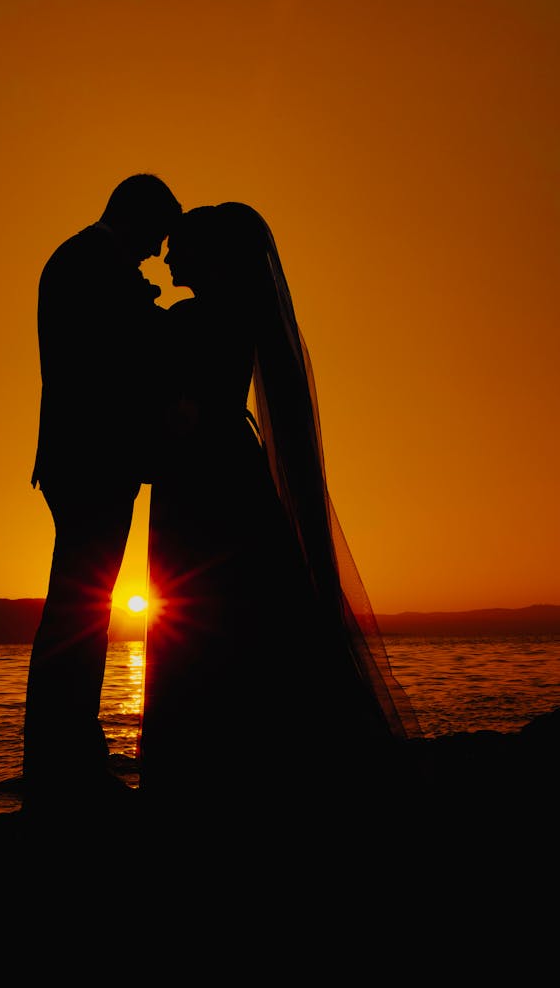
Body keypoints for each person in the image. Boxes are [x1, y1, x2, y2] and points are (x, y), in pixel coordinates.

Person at [139, 202, 421, 838]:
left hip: (200, 476)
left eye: (177, 247)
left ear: (208, 255)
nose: (167, 257)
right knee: (248, 602)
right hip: (230, 467)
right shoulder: (235, 316)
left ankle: (209, 770)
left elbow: (151, 367)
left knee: (204, 605)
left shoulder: (192, 319)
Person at [22, 173, 181, 826]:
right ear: (138, 218)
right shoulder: (91, 264)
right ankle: (65, 768)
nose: (157, 254)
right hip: (91, 462)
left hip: (84, 461)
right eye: (156, 236)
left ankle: (66, 761)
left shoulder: (83, 260)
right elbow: (109, 364)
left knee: (79, 614)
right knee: (77, 617)